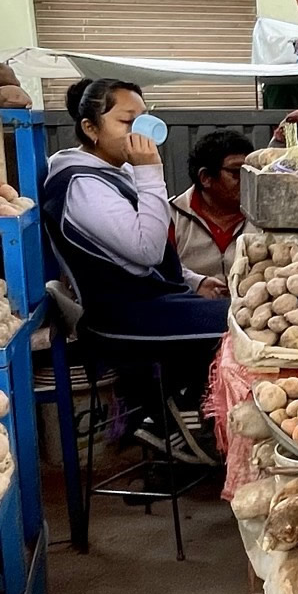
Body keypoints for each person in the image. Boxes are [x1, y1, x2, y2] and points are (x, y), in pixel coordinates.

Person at [42, 78, 226, 464]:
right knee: (238, 323)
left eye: (144, 119)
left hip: (149, 300)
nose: (139, 133)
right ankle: (173, 421)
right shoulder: (82, 184)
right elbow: (144, 249)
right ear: (90, 128)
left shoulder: (111, 171)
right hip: (121, 315)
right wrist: (150, 173)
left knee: (239, 311)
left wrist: (192, 282)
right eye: (127, 122)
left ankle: (171, 416)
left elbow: (133, 252)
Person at [170, 130, 253, 287]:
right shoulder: (171, 217)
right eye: (237, 172)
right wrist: (196, 285)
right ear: (206, 178)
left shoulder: (263, 218)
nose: (247, 179)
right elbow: (161, 274)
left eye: (250, 172)